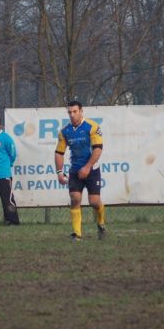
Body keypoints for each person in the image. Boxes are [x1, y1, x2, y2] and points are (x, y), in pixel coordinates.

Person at [55, 100, 107, 241]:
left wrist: (87, 167)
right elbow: (59, 153)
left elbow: (98, 149)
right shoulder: (65, 132)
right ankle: (77, 234)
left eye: (75, 111)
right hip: (75, 171)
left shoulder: (92, 126)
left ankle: (101, 224)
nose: (72, 115)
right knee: (75, 198)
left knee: (94, 201)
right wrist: (60, 172)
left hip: (92, 170)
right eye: (69, 112)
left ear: (81, 111)